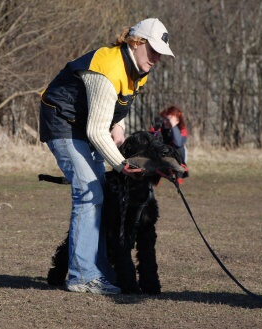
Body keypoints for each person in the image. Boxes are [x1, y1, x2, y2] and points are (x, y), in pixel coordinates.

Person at [39, 18, 174, 294]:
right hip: (62, 121)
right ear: (136, 43)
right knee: (89, 193)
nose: (157, 58)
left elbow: (114, 113)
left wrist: (120, 128)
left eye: (161, 53)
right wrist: (121, 164)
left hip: (85, 125)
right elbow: (95, 130)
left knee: (99, 193)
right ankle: (82, 275)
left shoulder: (138, 70)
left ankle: (99, 270)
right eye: (153, 50)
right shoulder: (111, 67)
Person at [158, 106, 189, 184]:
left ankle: (179, 175)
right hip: (162, 155)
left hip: (176, 154)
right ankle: (156, 176)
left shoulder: (182, 130)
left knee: (180, 148)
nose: (165, 122)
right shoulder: (160, 128)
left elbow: (178, 143)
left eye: (168, 120)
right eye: (164, 119)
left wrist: (174, 126)